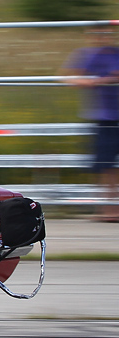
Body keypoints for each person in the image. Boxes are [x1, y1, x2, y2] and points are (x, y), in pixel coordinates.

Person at [61, 25, 119, 221]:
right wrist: (94, 82)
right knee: (105, 165)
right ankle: (108, 210)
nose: (102, 38)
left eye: (106, 34)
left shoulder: (116, 53)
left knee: (110, 165)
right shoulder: (88, 54)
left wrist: (104, 80)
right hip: (104, 117)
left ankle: (111, 209)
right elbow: (69, 77)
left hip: (112, 115)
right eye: (98, 34)